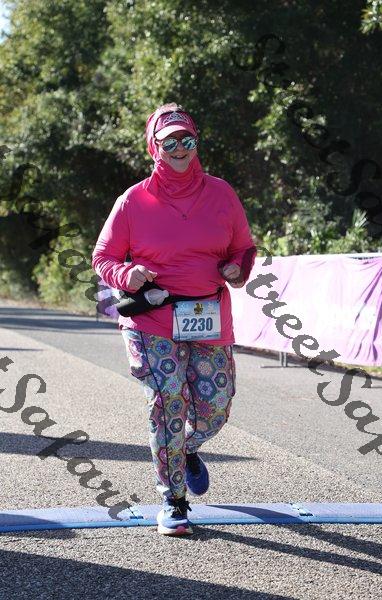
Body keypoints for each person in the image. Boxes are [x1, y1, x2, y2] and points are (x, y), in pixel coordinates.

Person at [92, 102, 257, 536]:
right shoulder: (133, 200)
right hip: (152, 320)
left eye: (187, 140)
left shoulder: (221, 194)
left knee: (215, 408)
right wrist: (126, 274)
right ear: (154, 147)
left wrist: (237, 269)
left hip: (208, 313)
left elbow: (244, 248)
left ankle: (185, 449)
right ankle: (173, 499)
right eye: (169, 142)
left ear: (196, 143)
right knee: (167, 402)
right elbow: (103, 257)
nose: (180, 148)